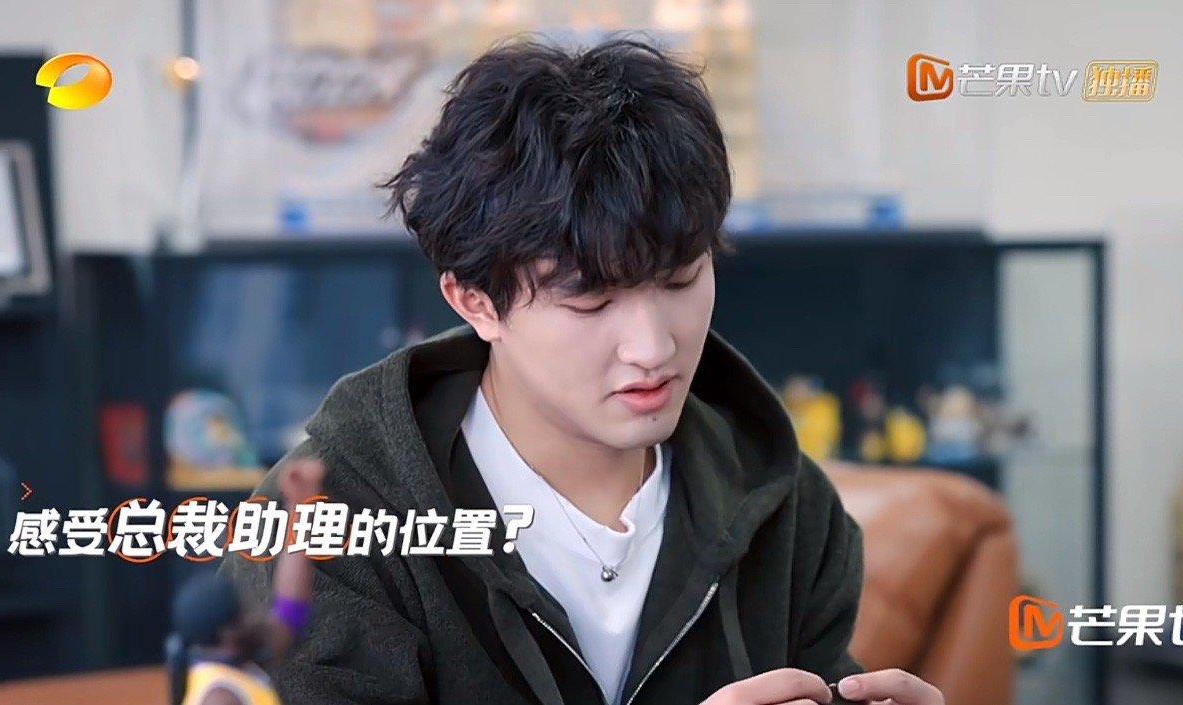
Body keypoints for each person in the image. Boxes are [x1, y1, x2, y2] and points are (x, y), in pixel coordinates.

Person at [220, 38, 944, 705]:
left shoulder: (788, 507)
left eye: (681, 278)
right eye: (591, 301)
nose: (651, 347)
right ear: (474, 301)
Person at [173, 459, 324, 705]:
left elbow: (291, 612)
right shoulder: (219, 696)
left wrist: (299, 507)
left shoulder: (236, 664)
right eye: (246, 612)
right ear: (227, 633)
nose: (258, 614)